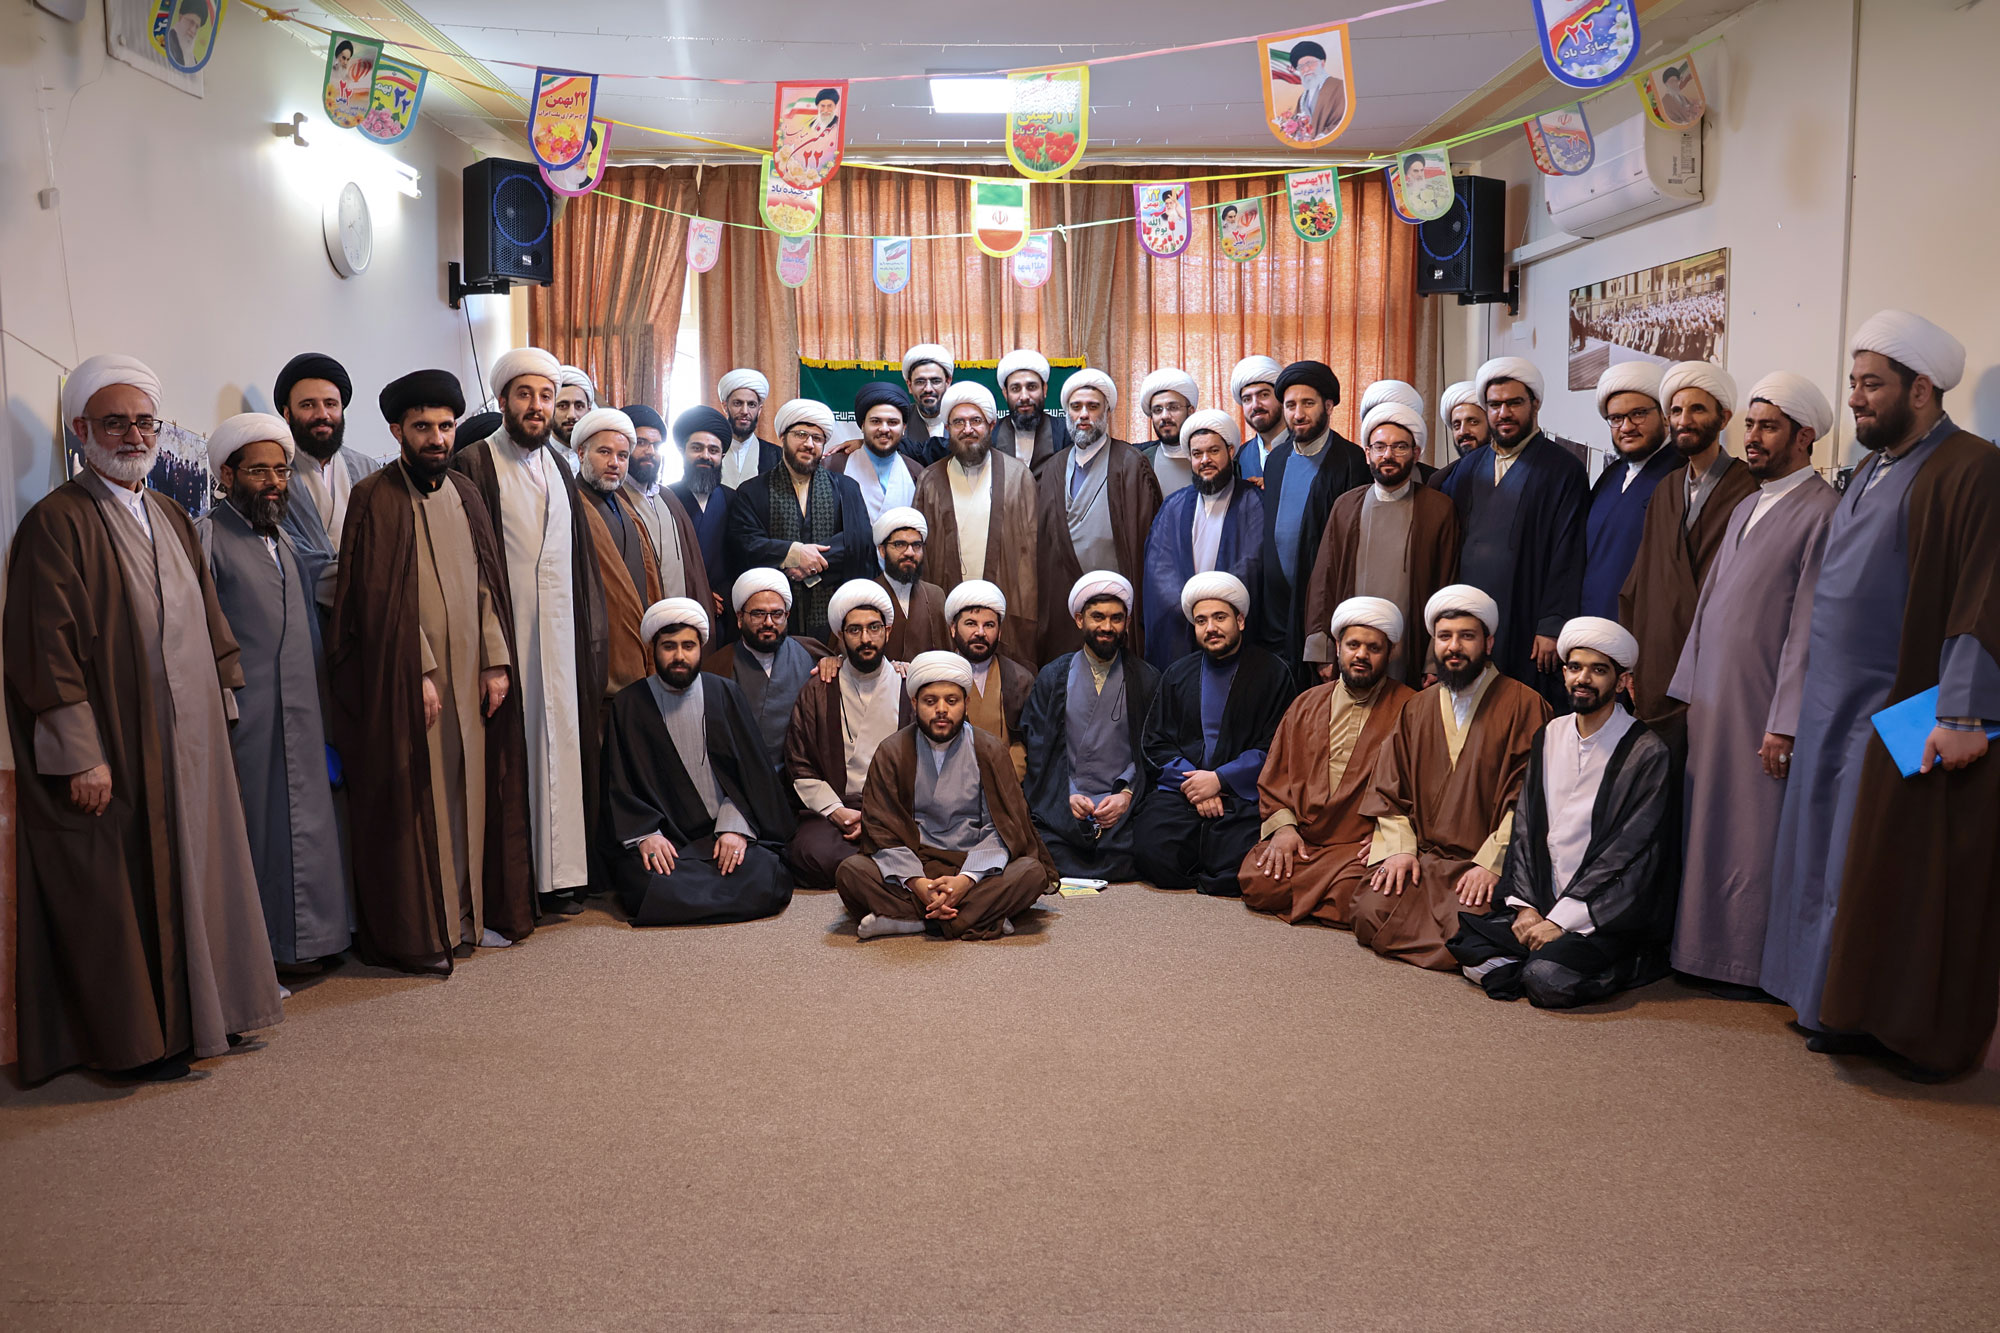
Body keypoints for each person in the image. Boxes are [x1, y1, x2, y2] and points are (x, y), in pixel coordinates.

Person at [4, 355, 283, 1083]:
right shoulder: (56, 523)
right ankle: (144, 1041)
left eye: (144, 422)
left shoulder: (167, 513)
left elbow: (211, 622)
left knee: (204, 873)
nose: (133, 435)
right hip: (121, 748)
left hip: (192, 743)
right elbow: (45, 648)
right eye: (115, 423)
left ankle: (208, 1017)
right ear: (80, 430)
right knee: (127, 890)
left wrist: (223, 707)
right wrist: (80, 753)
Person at [1769, 311, 2000, 1078]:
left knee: (1894, 869)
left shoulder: (1972, 467)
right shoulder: (1870, 468)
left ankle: (1895, 1027)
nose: (1856, 398)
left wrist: (1963, 711)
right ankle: (1834, 1002)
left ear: (1921, 389)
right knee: (1830, 861)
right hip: (1835, 706)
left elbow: (1983, 594)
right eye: (1854, 382)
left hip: (1908, 707)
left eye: (1872, 384)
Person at [332, 369, 534, 971]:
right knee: (428, 802)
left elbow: (487, 583)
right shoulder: (374, 496)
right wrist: (416, 671)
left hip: (471, 675)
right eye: (423, 427)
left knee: (473, 794)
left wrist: (496, 661)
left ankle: (471, 916)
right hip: (413, 678)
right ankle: (434, 926)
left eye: (445, 427)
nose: (438, 439)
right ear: (398, 431)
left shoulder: (466, 493)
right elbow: (375, 597)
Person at [1666, 372, 1839, 999]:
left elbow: (1810, 626)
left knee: (1751, 830)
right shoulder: (1746, 503)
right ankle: (1699, 949)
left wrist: (1784, 721)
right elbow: (1709, 604)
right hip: (1715, 701)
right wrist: (1689, 687)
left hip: (1763, 707)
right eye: (1751, 425)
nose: (1754, 437)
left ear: (1804, 436)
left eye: (1769, 427)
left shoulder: (1824, 511)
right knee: (1705, 823)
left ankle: (1744, 962)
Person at [1447, 618, 1676, 1006]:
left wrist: (1562, 921)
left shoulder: (1646, 752)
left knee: (1547, 980)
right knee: (1470, 951)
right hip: (1543, 896)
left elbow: (1633, 852)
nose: (1583, 679)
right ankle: (1538, 952)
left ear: (1621, 681)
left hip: (1602, 912)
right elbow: (1525, 827)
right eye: (1575, 667)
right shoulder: (1550, 734)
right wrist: (1526, 909)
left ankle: (1619, 961)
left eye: (1598, 670)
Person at [452, 346, 606, 916]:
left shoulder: (560, 467)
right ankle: (518, 885)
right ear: (503, 401)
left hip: (561, 641)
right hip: (506, 639)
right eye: (525, 395)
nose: (537, 406)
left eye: (546, 396)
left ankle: (562, 876)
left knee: (561, 746)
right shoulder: (473, 464)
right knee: (513, 756)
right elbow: (468, 565)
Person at [197, 413, 350, 970]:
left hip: (301, 713)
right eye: (258, 471)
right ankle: (260, 961)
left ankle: (310, 944)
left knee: (307, 825)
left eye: (281, 471)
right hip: (247, 717)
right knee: (255, 832)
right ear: (227, 474)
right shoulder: (208, 537)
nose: (272, 483)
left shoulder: (284, 538)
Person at [1350, 585, 1550, 970]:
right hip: (1424, 858)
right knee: (1368, 912)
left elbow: (1529, 799)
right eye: (1444, 637)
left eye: (1466, 636)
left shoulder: (1525, 705)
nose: (1454, 647)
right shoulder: (1418, 706)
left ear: (1488, 643)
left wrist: (1492, 864)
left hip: (1481, 861)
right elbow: (1389, 788)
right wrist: (1401, 849)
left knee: (1464, 929)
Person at [835, 651, 1057, 940]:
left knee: (1031, 873)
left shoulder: (989, 750)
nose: (941, 710)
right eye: (930, 701)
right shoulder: (892, 752)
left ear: (966, 703)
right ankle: (977, 916)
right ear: (914, 703)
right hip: (915, 859)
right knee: (851, 871)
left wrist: (966, 880)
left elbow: (1004, 827)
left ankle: (912, 921)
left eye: (951, 701)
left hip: (974, 860)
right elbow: (883, 830)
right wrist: (918, 883)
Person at [601, 599, 796, 926]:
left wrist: (735, 829)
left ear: (700, 648)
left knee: (766, 872)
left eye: (688, 646)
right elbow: (618, 785)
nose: (679, 656)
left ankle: (692, 896)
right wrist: (646, 834)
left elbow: (753, 778)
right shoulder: (629, 704)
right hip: (668, 840)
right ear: (653, 649)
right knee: (643, 880)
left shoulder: (725, 693)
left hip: (723, 832)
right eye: (669, 646)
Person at [1239, 598, 1415, 926]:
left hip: (1357, 846)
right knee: (1256, 881)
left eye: (1373, 648)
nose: (1361, 655)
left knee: (1365, 897)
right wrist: (1284, 828)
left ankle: (1320, 894)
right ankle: (1325, 897)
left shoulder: (1411, 708)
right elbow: (1277, 774)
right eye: (1353, 645)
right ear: (1337, 647)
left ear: (1390, 652)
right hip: (1306, 840)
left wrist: (1389, 837)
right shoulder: (1306, 703)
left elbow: (1419, 788)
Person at [1617, 362, 1758, 752]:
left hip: (1718, 659)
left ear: (1723, 418)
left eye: (1697, 409)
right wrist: (1632, 660)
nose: (1684, 420)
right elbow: (1641, 580)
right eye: (1676, 411)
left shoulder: (1750, 487)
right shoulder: (1665, 489)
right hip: (1660, 656)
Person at [1434, 357, 1588, 713]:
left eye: (1514, 403)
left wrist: (1552, 625)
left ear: (1535, 403)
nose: (1503, 413)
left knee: (1521, 709)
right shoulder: (1468, 468)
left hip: (1527, 614)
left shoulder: (1563, 469)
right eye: (1494, 405)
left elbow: (1568, 552)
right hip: (1471, 618)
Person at [1129, 572, 1295, 896]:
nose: (1211, 628)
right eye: (1201, 621)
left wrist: (1220, 779)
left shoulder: (1274, 673)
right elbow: (1156, 741)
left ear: (1240, 621)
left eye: (1220, 617)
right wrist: (1198, 786)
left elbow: (1277, 746)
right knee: (1152, 850)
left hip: (1242, 795)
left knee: (1242, 861)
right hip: (1184, 792)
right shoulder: (1178, 674)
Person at [1302, 401, 1460, 688]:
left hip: (1411, 648)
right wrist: (1322, 650)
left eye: (1400, 447)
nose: (1388, 455)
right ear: (1368, 454)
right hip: (1352, 648)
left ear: (1416, 454)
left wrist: (1433, 659)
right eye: (1380, 447)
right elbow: (1323, 581)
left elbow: (1446, 586)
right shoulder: (1346, 506)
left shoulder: (1438, 509)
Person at [1021, 573, 1161, 882]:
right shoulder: (1053, 677)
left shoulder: (1146, 678)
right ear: (1079, 619)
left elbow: (1153, 749)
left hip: (1123, 804)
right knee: (1038, 843)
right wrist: (1066, 796)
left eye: (1116, 618)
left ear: (1127, 623)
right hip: (1066, 801)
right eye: (1098, 617)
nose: (1107, 627)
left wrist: (1126, 795)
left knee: (1153, 844)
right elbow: (1039, 750)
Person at [784, 580, 912, 891]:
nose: (865, 639)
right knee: (810, 854)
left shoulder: (909, 685)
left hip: (895, 809)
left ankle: (877, 856)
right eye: (854, 630)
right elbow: (799, 762)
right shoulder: (818, 688)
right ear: (840, 636)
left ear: (888, 631)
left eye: (874, 628)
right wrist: (837, 812)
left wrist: (877, 818)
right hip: (838, 808)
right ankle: (882, 863)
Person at [912, 381, 1042, 669]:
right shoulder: (930, 480)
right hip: (948, 606)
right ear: (947, 428)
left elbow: (1032, 554)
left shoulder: (1018, 476)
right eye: (958, 422)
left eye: (976, 421)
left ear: (991, 425)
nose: (967, 429)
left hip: (1007, 606)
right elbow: (919, 554)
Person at [1035, 367, 1162, 661]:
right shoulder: (1053, 468)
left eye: (1093, 407)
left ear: (1107, 412)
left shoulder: (1131, 464)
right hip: (1067, 609)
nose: (1083, 414)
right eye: (1076, 407)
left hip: (1117, 608)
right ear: (1066, 412)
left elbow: (1148, 546)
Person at [724, 397, 874, 644]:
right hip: (773, 616)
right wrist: (793, 554)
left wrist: (809, 561)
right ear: (783, 436)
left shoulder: (846, 488)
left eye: (817, 438)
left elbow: (860, 541)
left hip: (832, 613)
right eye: (801, 435)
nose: (809, 444)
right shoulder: (752, 491)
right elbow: (745, 543)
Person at [1256, 360, 1370, 677]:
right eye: (1290, 405)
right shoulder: (1276, 460)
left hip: (1322, 612)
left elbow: (1351, 547)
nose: (1298, 414)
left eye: (1308, 403)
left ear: (1328, 406)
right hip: (1276, 614)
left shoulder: (1351, 460)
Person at [1143, 408, 1266, 672]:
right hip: (1182, 623)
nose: (1205, 460)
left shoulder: (1253, 501)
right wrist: (1192, 609)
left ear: (1230, 452)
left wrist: (1215, 609)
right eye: (1197, 454)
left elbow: (1253, 563)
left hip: (1232, 626)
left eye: (1213, 451)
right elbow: (1158, 569)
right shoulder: (1174, 505)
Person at [704, 568, 833, 770]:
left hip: (803, 777)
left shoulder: (811, 653)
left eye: (777, 614)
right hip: (742, 778)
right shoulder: (716, 667)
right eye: (758, 614)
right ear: (740, 618)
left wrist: (835, 663)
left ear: (787, 615)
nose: (768, 623)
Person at [274, 351, 374, 611]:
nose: (322, 414)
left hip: (368, 614)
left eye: (331, 404)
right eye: (308, 405)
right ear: (287, 413)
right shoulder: (274, 475)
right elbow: (288, 554)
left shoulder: (367, 469)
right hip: (304, 612)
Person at [1581, 362, 1679, 620]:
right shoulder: (1612, 475)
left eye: (1638, 414)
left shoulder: (1681, 474)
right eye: (1616, 418)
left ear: (1664, 415)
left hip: (1646, 626)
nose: (1626, 427)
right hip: (1593, 623)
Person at [617, 403, 711, 611]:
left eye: (656, 445)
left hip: (679, 616)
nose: (650, 451)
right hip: (638, 616)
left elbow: (693, 566)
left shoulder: (668, 497)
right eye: (641, 443)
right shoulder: (614, 499)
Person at [946, 579, 1034, 778]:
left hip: (1009, 784)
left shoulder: (1021, 679)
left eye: (989, 625)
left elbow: (1031, 743)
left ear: (1000, 632)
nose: (980, 633)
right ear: (953, 628)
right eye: (971, 624)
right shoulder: (938, 676)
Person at [828, 380, 924, 524]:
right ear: (862, 425)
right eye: (875, 421)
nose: (884, 429)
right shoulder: (833, 467)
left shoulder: (916, 472)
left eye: (892, 422)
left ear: (904, 428)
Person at [668, 405, 733, 615]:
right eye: (697, 448)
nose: (705, 456)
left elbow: (741, 559)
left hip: (726, 606)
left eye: (713, 450)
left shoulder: (734, 499)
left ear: (722, 456)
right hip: (680, 603)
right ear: (682, 451)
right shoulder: (664, 498)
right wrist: (700, 594)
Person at [871, 506, 950, 661]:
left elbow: (947, 654)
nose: (910, 552)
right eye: (900, 544)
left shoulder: (935, 596)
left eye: (916, 545)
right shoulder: (867, 594)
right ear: (882, 550)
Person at [994, 349, 1070, 472]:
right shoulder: (992, 434)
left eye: (1032, 387)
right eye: (1015, 388)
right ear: (1005, 394)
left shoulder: (1065, 432)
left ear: (1044, 389)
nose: (1024, 396)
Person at [1138, 368, 1200, 497]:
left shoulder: (1210, 458)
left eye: (1173, 408)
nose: (1165, 416)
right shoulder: (1140, 460)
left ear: (1190, 411)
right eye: (1158, 410)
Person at [716, 368, 780, 489]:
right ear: (725, 406)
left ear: (759, 410)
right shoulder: (711, 452)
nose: (745, 411)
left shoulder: (777, 455)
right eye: (737, 403)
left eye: (751, 405)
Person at [1229, 354, 1287, 482]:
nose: (1255, 405)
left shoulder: (1306, 447)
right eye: (1247, 399)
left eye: (1264, 395)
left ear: (1281, 398)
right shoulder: (1240, 457)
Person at [1426, 379, 1489, 489]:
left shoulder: (1509, 469)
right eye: (1457, 425)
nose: (1463, 431)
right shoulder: (1440, 480)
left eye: (1473, 422)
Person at [900, 343, 955, 463]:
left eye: (935, 381)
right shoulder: (898, 421)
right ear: (909, 385)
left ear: (948, 382)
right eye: (920, 382)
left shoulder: (963, 421)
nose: (928, 389)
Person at [1288, 38, 1347, 141]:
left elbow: (1342, 119)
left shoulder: (1339, 87)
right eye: (1301, 67)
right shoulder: (1302, 98)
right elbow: (1296, 125)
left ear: (1322, 63)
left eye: (1309, 64)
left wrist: (1323, 135)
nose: (1306, 69)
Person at [550, 365, 595, 471]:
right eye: (562, 406)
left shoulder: (597, 459)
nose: (572, 415)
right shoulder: (535, 456)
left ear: (588, 411)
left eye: (579, 406)